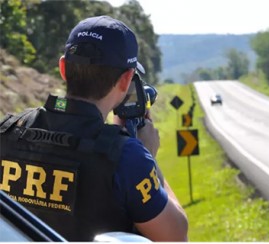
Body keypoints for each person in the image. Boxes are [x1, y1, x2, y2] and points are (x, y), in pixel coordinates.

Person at [0, 15, 188, 241]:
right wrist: (149, 158)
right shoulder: (127, 157)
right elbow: (175, 236)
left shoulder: (8, 130)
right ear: (127, 79)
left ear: (63, 68)